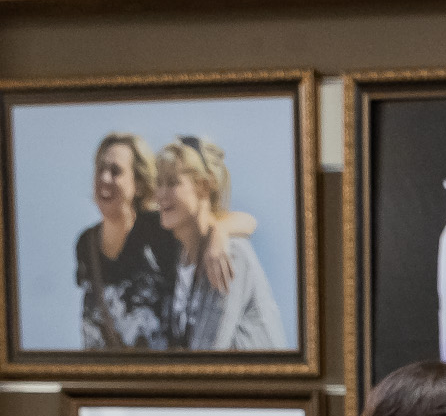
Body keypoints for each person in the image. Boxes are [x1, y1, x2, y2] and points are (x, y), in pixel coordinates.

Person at [75, 131, 256, 351]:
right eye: (100, 169)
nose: (104, 178)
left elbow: (245, 221)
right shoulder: (86, 244)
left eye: (115, 171)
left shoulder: (159, 228)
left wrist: (219, 232)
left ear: (139, 184)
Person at [155, 134, 289, 352]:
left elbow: (209, 354)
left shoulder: (230, 253)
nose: (160, 194)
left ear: (204, 186)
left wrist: (220, 231)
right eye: (158, 183)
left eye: (172, 183)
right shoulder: (178, 256)